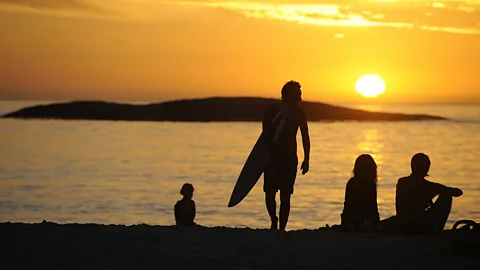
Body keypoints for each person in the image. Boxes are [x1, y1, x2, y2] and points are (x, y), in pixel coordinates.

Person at [262, 80, 310, 231]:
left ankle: (282, 228)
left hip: (289, 159)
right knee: (270, 194)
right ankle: (273, 220)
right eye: (298, 94)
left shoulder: (299, 114)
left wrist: (307, 158)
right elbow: (265, 132)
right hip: (272, 158)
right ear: (291, 95)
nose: (301, 98)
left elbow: (305, 136)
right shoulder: (272, 110)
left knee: (286, 196)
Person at [384, 153, 463, 232]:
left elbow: (458, 192)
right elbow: (457, 192)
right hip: (414, 224)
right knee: (446, 196)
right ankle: (436, 229)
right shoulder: (428, 186)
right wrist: (442, 190)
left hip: (404, 223)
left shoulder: (402, 182)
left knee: (446, 194)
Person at [341, 154, 380, 230]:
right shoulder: (368, 184)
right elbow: (373, 209)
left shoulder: (353, 183)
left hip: (352, 221)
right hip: (354, 221)